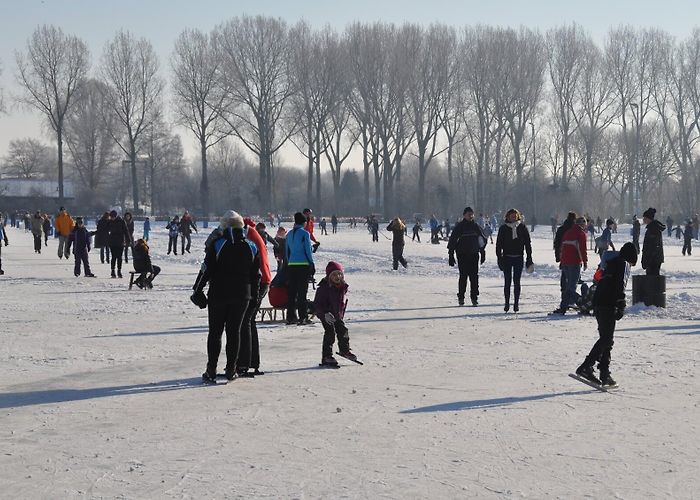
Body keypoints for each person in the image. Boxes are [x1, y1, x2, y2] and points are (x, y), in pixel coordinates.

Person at [191, 211, 259, 384]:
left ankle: (211, 369)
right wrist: (255, 297)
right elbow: (255, 275)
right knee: (234, 332)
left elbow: (206, 269)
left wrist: (197, 290)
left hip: (218, 294)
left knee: (215, 332)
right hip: (242, 295)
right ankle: (231, 369)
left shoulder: (218, 244)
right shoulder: (251, 246)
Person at [575, 242, 637, 388]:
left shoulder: (611, 264)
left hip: (599, 303)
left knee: (607, 339)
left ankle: (604, 373)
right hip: (607, 304)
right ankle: (586, 366)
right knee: (606, 339)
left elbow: (605, 284)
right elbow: (618, 286)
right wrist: (620, 304)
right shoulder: (623, 265)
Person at [239, 217, 272, 377]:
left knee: (246, 320)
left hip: (259, 280)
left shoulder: (249, 235)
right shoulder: (253, 233)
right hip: (262, 279)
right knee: (249, 321)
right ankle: (251, 362)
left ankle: (245, 362)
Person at [314, 261, 355, 367]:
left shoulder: (342, 287)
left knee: (343, 331)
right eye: (334, 275)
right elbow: (317, 305)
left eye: (339, 274)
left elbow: (341, 302)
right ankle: (326, 356)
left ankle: (344, 350)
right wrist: (324, 314)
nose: (337, 277)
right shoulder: (323, 289)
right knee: (330, 333)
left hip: (337, 315)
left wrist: (341, 314)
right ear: (329, 276)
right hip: (326, 316)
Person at [447, 207, 488, 306]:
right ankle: (461, 297)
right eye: (469, 214)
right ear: (464, 215)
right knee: (463, 277)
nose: (471, 216)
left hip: (474, 255)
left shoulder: (476, 226)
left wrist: (482, 253)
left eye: (472, 214)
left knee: (474, 277)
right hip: (462, 255)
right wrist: (451, 255)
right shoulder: (459, 227)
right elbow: (453, 241)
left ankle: (474, 298)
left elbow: (482, 240)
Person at [496, 209, 533, 313]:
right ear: (507, 217)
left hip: (518, 257)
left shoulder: (522, 227)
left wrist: (529, 257)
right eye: (511, 216)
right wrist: (499, 258)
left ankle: (516, 303)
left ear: (518, 216)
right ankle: (507, 302)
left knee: (517, 281)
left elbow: (527, 243)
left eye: (515, 215)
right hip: (507, 257)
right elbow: (499, 244)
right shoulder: (503, 228)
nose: (513, 217)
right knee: (507, 281)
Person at [552, 216, 588, 315]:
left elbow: (561, 248)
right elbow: (582, 250)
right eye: (585, 224)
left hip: (565, 262)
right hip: (575, 262)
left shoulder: (568, 233)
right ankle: (568, 304)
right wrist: (585, 261)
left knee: (568, 284)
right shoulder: (581, 234)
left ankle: (567, 303)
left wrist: (561, 261)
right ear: (582, 224)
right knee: (572, 285)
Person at [285, 212, 315, 325]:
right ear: (303, 222)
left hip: (292, 264)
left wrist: (289, 262)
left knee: (292, 292)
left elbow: (287, 251)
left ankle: (290, 316)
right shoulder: (305, 234)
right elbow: (308, 250)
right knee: (302, 292)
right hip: (303, 264)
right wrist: (311, 263)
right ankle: (303, 317)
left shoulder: (289, 234)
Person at [641, 207, 665, 276]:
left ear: (649, 219)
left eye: (644, 218)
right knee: (652, 278)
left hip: (654, 260)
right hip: (653, 259)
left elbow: (654, 246)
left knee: (653, 278)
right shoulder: (651, 228)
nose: (643, 220)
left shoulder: (653, 229)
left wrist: (648, 260)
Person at [107, 210, 131, 278]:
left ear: (116, 216)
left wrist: (128, 240)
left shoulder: (121, 221)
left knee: (119, 257)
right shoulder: (110, 222)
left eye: (113, 217)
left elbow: (126, 231)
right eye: (111, 217)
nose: (112, 218)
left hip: (120, 241)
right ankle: (112, 271)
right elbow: (106, 229)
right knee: (113, 257)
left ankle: (119, 271)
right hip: (112, 242)